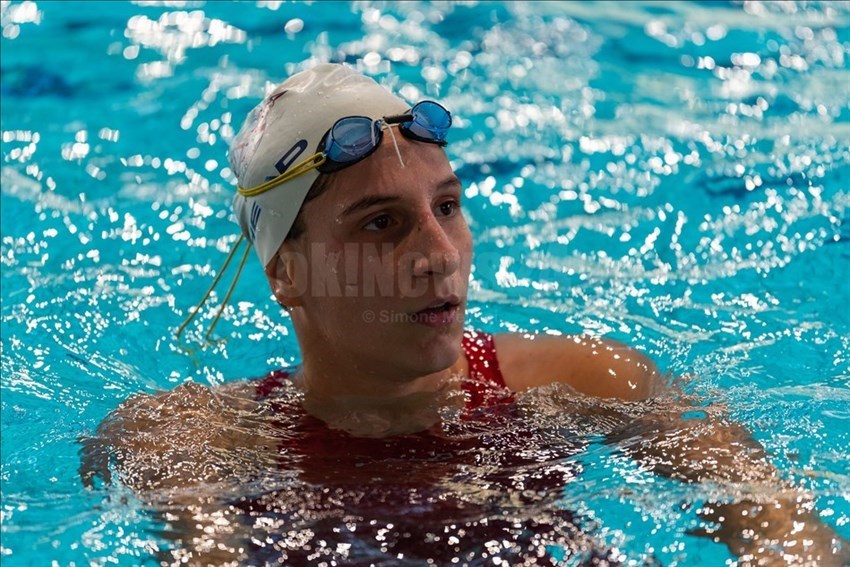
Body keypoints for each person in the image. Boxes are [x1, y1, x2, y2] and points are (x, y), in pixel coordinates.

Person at [81, 64, 848, 565]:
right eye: (382, 223)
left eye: (447, 206)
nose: (440, 252)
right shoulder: (197, 436)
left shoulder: (582, 379)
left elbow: (777, 518)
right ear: (287, 273)